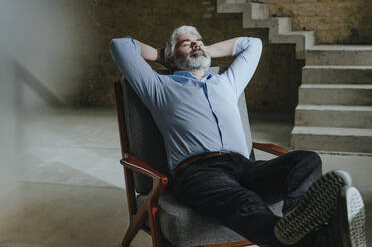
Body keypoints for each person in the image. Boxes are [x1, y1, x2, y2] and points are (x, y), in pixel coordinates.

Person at [109, 25, 366, 247]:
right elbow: (120, 46)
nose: (196, 44)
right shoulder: (159, 87)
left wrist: (202, 48)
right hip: (198, 173)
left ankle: (297, 222)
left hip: (244, 168)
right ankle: (319, 238)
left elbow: (251, 44)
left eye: (199, 41)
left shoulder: (228, 82)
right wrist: (161, 55)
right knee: (245, 201)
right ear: (172, 59)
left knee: (306, 160)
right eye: (186, 44)